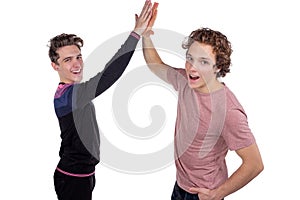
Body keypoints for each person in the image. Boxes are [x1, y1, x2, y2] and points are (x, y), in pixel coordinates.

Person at [142, 16, 264, 200]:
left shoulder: (228, 111)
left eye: (204, 62)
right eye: (190, 58)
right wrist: (145, 36)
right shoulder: (185, 81)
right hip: (181, 186)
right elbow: (156, 65)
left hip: (204, 194)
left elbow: (254, 164)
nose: (192, 68)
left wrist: (218, 194)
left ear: (218, 67)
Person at [48, 1, 154, 199]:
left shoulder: (74, 91)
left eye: (78, 57)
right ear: (55, 66)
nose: (77, 64)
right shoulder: (68, 97)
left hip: (84, 175)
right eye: (67, 60)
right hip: (72, 178)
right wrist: (135, 35)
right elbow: (107, 76)